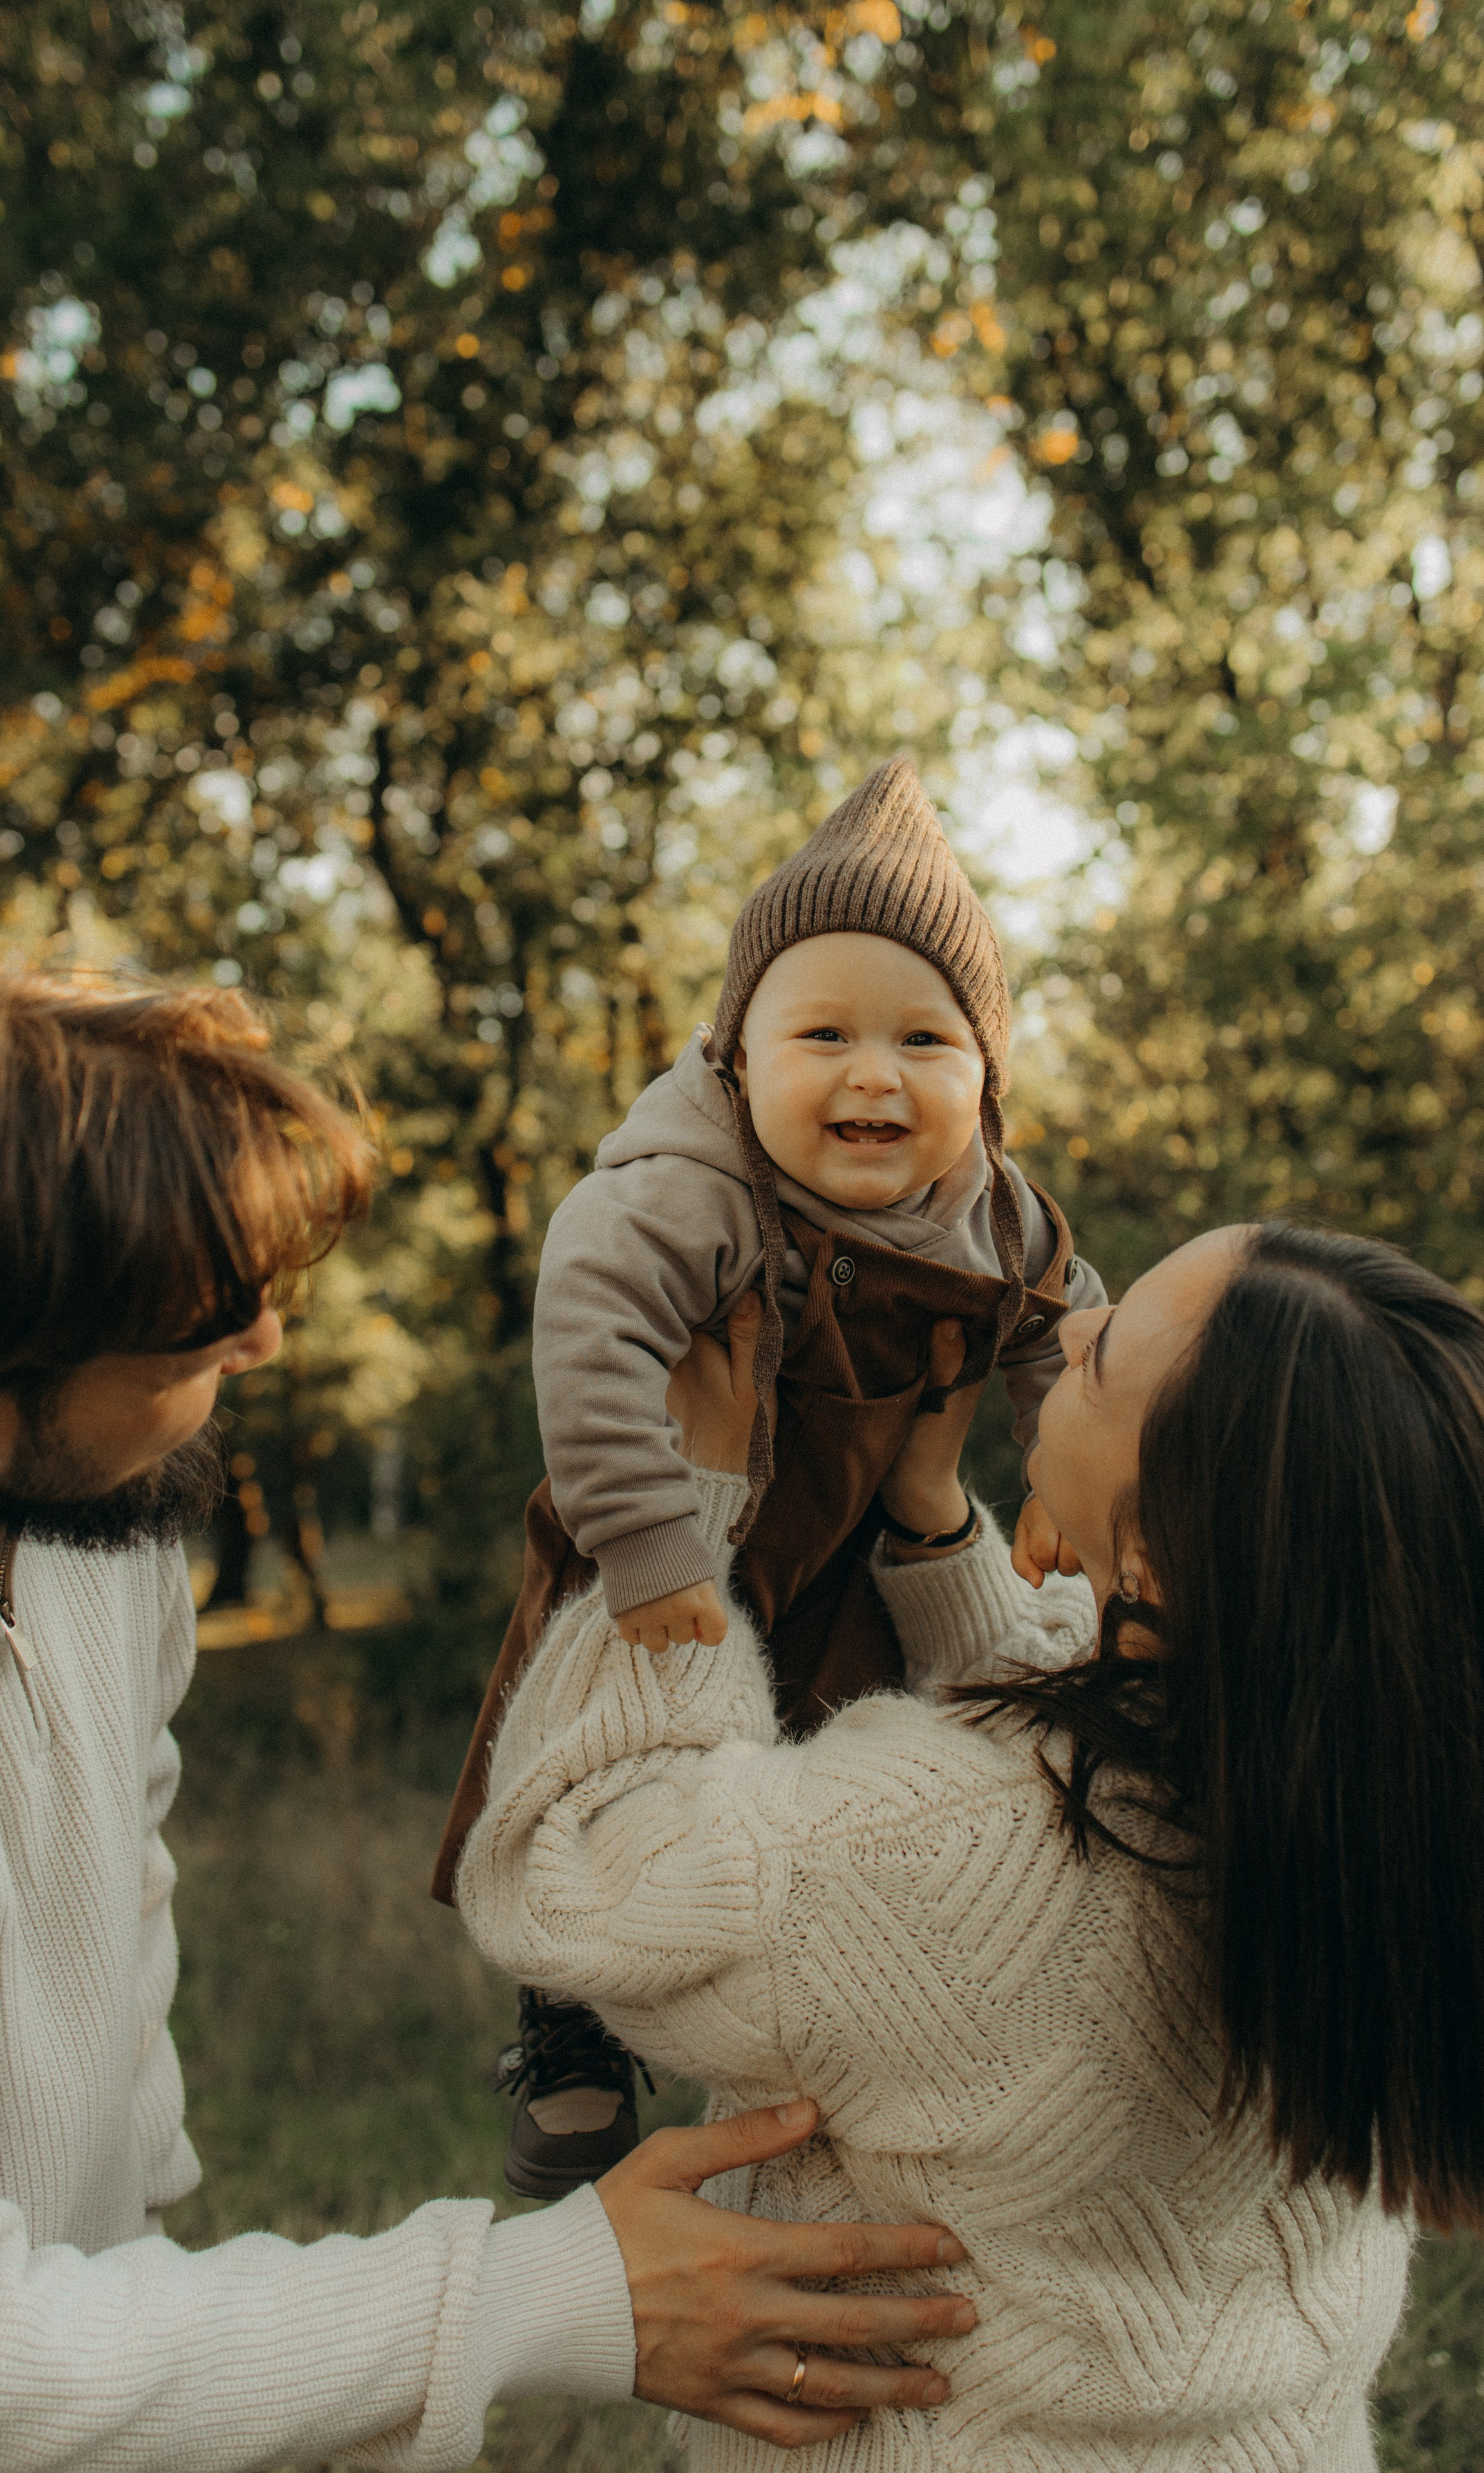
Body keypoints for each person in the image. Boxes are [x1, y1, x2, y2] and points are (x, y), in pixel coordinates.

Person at [0, 953, 979, 2471]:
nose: (265, 1348)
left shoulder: (89, 1533)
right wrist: (556, 2290)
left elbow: (118, 1877)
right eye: (201, 1336)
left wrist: (141, 2246)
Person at [458, 1220, 1484, 2468]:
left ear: (1157, 1544)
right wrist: (937, 1525)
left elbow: (584, 1865)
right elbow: (1080, 1693)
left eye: (1102, 1361)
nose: (1069, 1327)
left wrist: (678, 1506)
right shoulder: (1385, 1803)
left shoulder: (938, 1854)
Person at [433, 756, 1105, 2198]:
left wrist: (1058, 1480)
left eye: (926, 1040)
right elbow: (590, 1331)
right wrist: (649, 1545)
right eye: (823, 1035)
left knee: (824, 1794)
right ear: (738, 1059)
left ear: (986, 1079)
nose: (875, 1074)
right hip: (672, 1524)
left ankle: (814, 2029)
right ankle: (567, 2022)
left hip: (848, 1545)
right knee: (598, 1764)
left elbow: (1065, 1332)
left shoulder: (992, 1208)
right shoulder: (690, 1184)